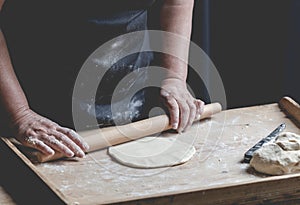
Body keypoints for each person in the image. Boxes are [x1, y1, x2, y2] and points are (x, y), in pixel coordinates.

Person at [0, 0, 204, 159]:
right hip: (38, 112)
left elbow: (176, 3)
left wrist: (173, 76)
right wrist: (20, 114)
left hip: (134, 103)